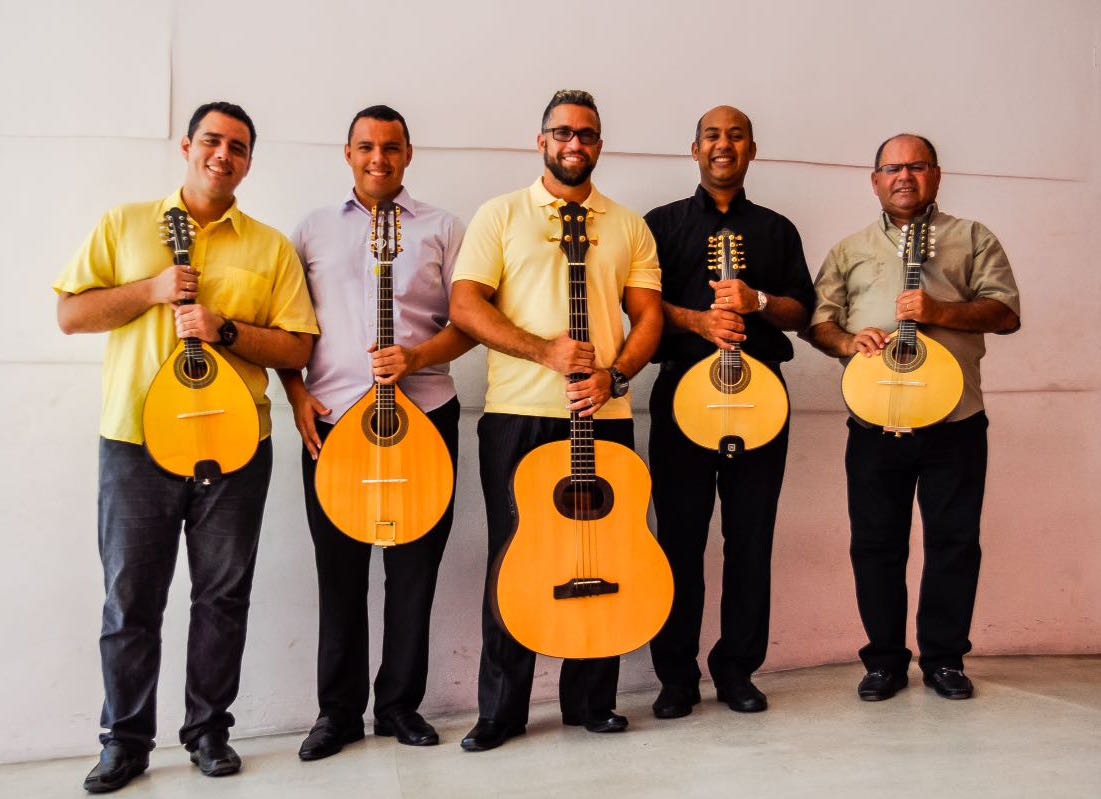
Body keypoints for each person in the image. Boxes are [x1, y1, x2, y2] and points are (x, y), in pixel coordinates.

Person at [54, 102, 318, 792]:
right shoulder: (125, 223)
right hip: (136, 444)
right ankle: (125, 740)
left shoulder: (269, 248)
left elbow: (297, 345)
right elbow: (71, 313)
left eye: (237, 146)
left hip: (234, 447)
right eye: (211, 140)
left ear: (249, 161)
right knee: (130, 598)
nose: (222, 154)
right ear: (186, 145)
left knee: (223, 595)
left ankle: (208, 732)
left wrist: (225, 329)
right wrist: (150, 290)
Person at [449, 89, 663, 751]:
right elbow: (465, 305)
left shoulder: (626, 225)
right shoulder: (501, 214)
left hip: (604, 415)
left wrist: (613, 376)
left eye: (588, 135)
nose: (575, 144)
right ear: (540, 140)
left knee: (604, 548)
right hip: (519, 415)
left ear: (599, 144)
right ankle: (501, 711)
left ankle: (591, 702)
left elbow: (648, 315)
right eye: (563, 132)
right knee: (516, 557)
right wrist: (544, 350)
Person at [278, 105, 470, 760]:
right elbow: (287, 326)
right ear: (347, 152)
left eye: (391, 147)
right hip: (333, 420)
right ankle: (336, 715)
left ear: (408, 153)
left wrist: (415, 357)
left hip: (425, 414)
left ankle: (399, 706)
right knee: (340, 573)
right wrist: (296, 392)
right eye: (366, 146)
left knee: (413, 571)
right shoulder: (309, 230)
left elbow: (468, 323)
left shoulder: (442, 227)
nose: (378, 158)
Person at [805, 133, 1020, 701]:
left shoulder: (972, 238)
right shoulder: (850, 249)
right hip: (875, 421)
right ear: (875, 179)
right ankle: (884, 662)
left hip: (955, 422)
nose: (905, 176)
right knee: (876, 544)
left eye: (917, 166)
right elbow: (819, 323)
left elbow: (1006, 312)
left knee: (954, 541)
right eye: (892, 168)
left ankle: (945, 660)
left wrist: (941, 310)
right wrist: (851, 342)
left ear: (937, 174)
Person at [643, 106, 815, 718]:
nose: (724, 145)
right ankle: (676, 677)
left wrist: (758, 299)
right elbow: (637, 309)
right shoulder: (658, 226)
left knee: (750, 540)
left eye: (735, 135)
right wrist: (696, 318)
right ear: (695, 150)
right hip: (683, 396)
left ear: (752, 150)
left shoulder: (776, 228)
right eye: (712, 136)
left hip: (760, 398)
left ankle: (737, 669)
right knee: (678, 542)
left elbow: (803, 312)